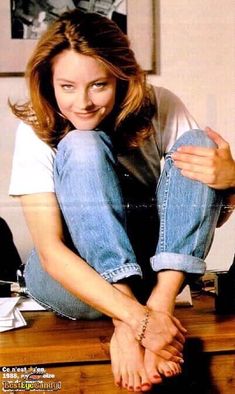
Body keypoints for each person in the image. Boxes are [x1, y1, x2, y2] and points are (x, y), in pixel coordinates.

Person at [9, 9, 235, 392]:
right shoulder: (36, 128)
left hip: (155, 278)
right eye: (67, 87)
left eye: (98, 85)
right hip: (72, 279)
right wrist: (134, 322)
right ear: (48, 84)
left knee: (199, 145)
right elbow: (50, 251)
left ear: (122, 77)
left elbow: (198, 215)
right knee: (81, 144)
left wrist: (231, 183)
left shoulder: (160, 104)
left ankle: (158, 303)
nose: (82, 103)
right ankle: (130, 316)